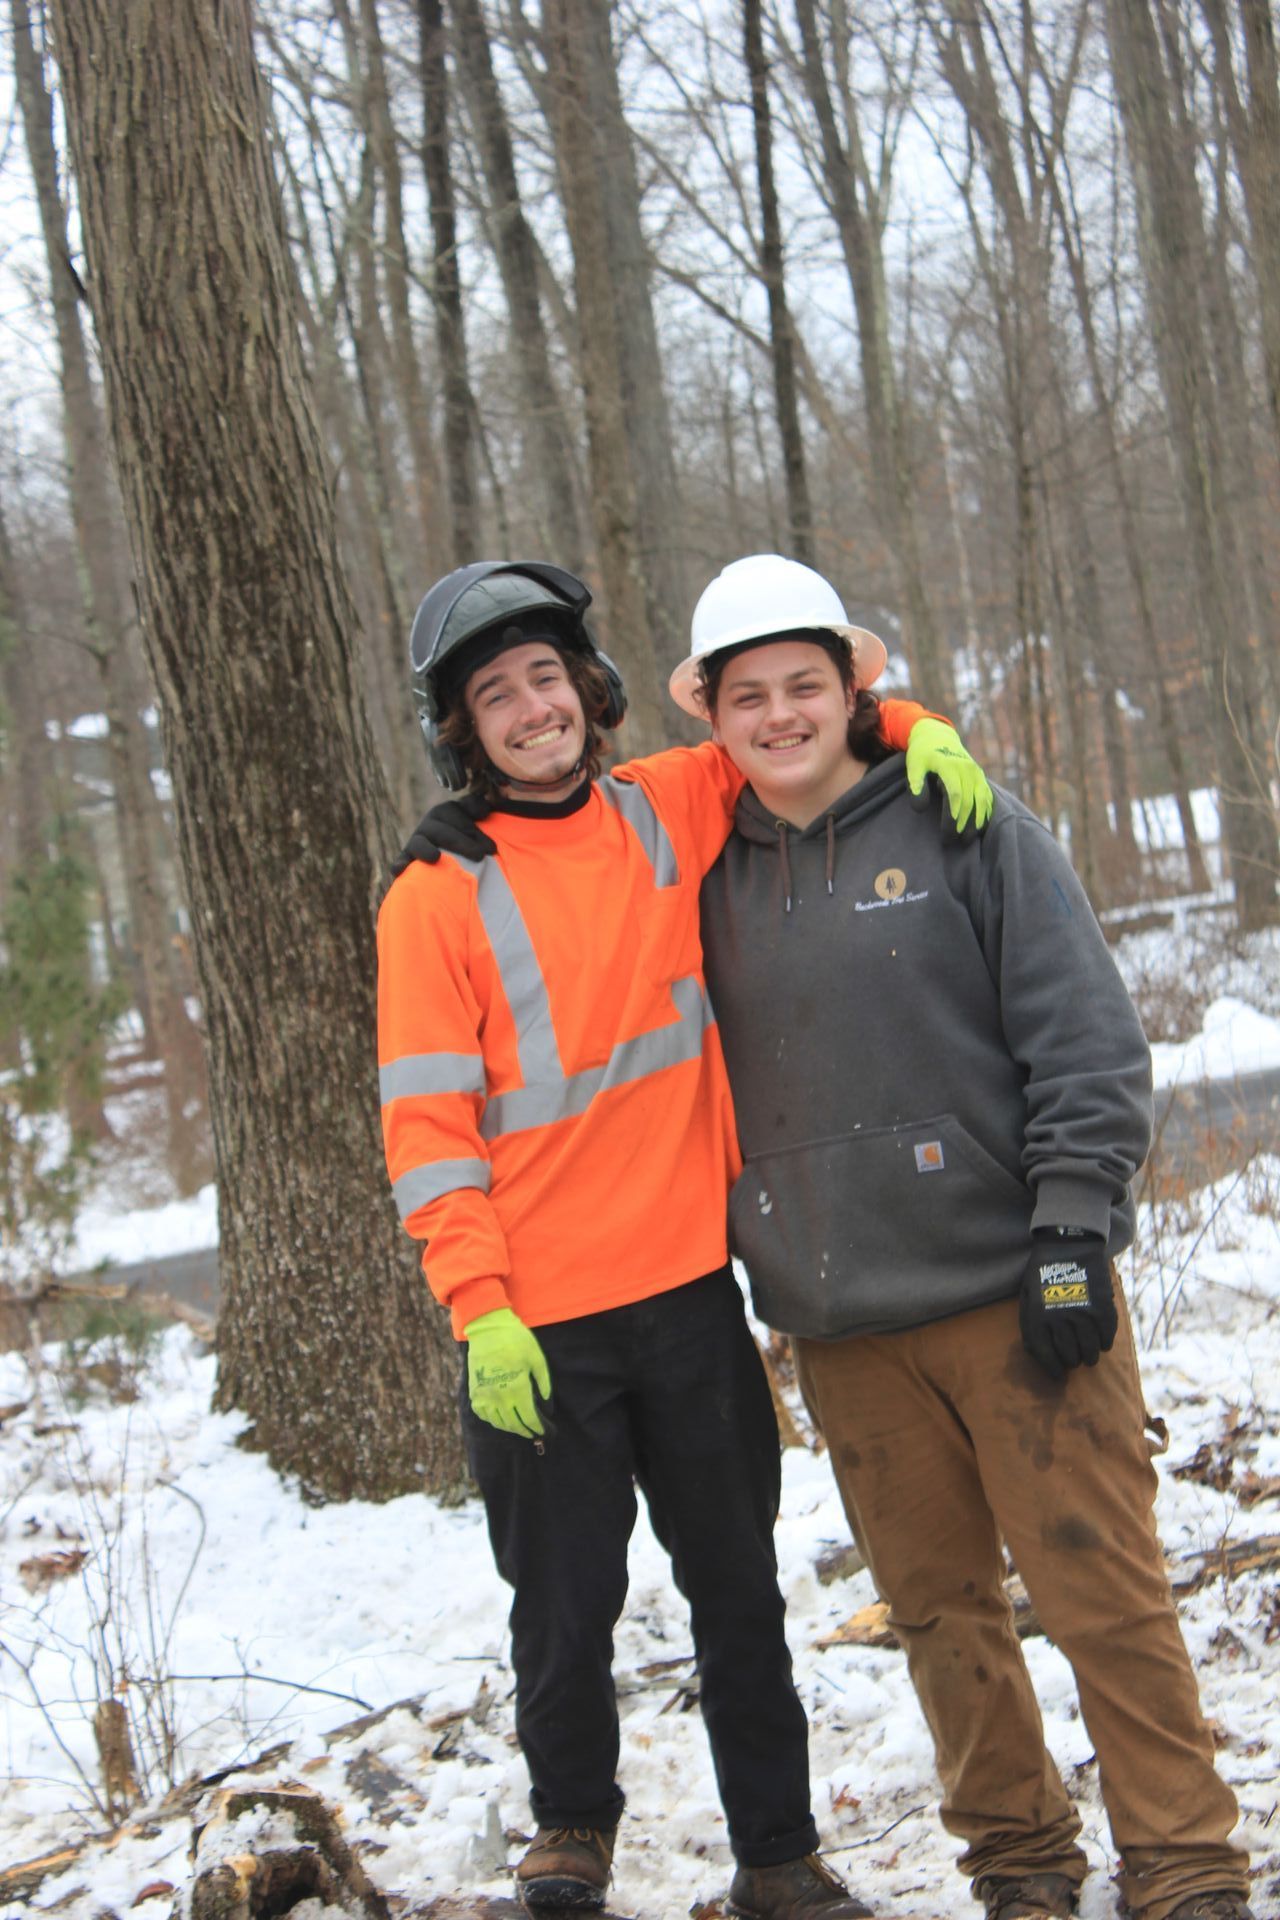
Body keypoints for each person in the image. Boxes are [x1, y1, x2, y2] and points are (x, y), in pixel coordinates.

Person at [377, 556, 991, 1918]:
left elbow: (797, 723)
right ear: (464, 730)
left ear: (588, 692)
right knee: (563, 1607)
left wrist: (916, 726)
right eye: (497, 695)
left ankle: (778, 1853)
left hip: (688, 1302)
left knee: (740, 1595)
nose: (531, 709)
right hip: (535, 1328)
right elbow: (427, 1131)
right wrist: (476, 1307)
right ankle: (571, 1838)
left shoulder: (667, 801)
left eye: (547, 678)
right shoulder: (432, 896)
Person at [669, 558, 1255, 1920]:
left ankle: (1183, 1865)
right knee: (943, 1622)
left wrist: (1068, 1232)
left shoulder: (966, 824)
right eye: (746, 695)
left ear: (852, 686)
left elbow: (1090, 1046)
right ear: (711, 715)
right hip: (844, 1326)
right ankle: (1023, 1868)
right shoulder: (695, 875)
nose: (778, 715)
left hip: (1014, 1295)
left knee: (1101, 1591)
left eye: (804, 684)